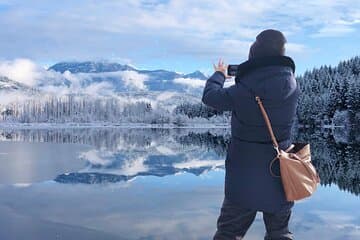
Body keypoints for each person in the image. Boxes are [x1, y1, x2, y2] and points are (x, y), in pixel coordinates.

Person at [201, 29, 300, 240]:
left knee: (229, 233)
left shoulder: (244, 90)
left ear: (254, 54)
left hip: (244, 175)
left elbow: (210, 97)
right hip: (281, 172)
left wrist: (220, 74)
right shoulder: (292, 85)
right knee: (280, 233)